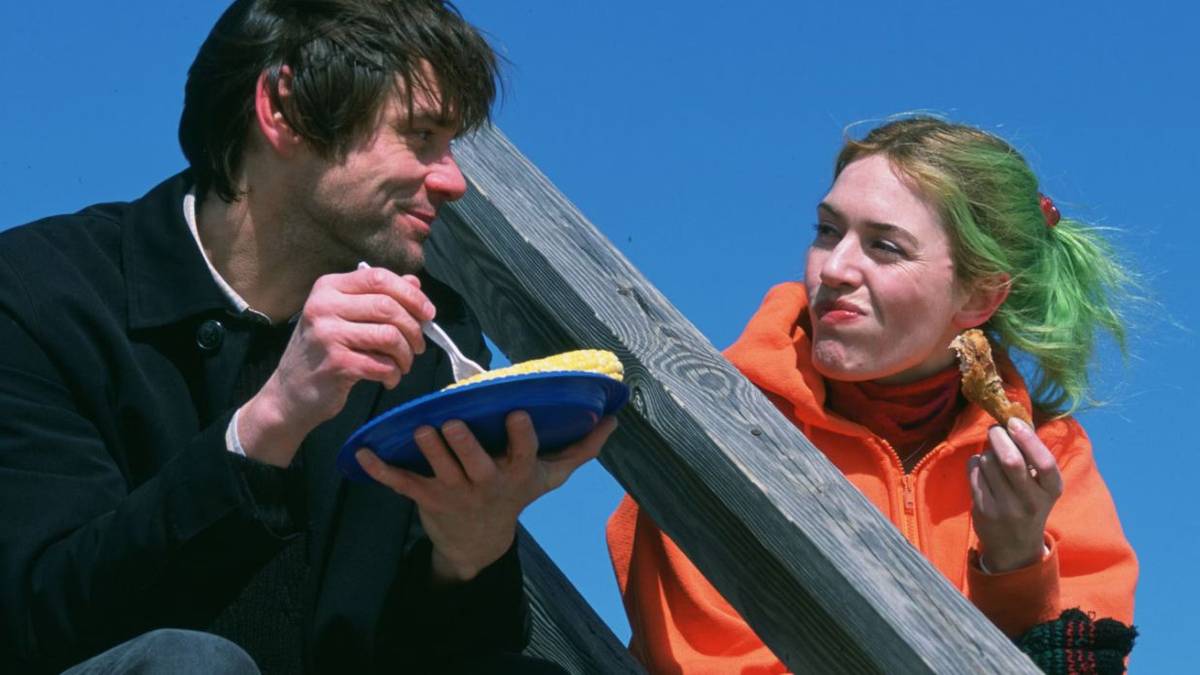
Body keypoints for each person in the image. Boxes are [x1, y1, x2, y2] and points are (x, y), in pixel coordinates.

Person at [0, 1, 615, 673]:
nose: (453, 179)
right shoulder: (38, 293)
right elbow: (38, 624)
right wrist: (267, 423)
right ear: (283, 110)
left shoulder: (425, 333)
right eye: (420, 136)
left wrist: (468, 550)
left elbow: (447, 653)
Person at [607, 117, 1139, 673]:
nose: (833, 269)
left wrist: (1015, 567)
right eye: (827, 231)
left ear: (980, 295)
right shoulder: (711, 418)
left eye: (884, 246)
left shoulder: (1052, 457)